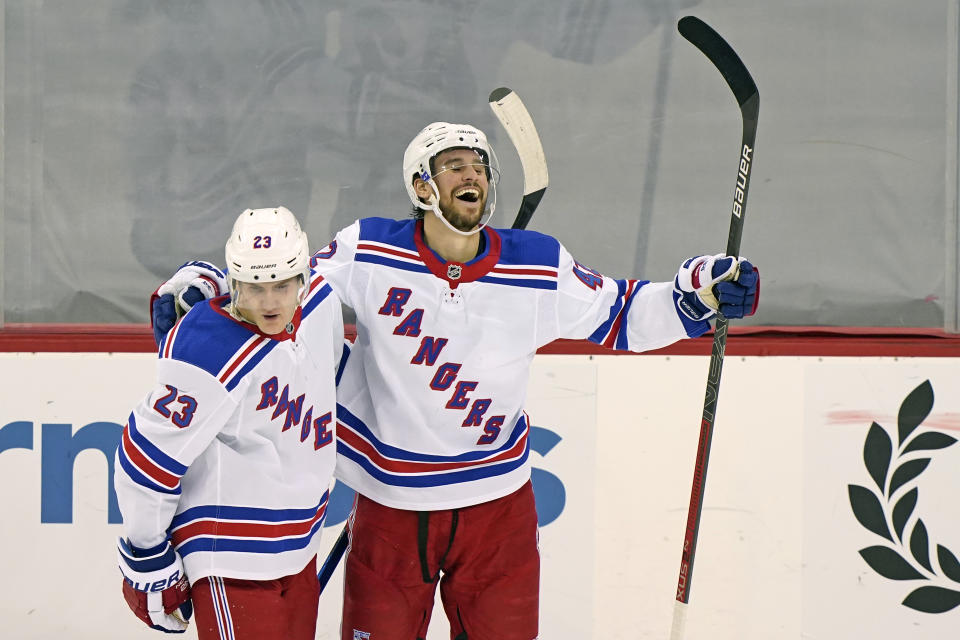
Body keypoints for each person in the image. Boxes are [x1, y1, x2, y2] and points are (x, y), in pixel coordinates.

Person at [151, 122, 760, 640]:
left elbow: (622, 314)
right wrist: (205, 288)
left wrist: (697, 294)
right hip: (391, 509)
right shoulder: (368, 252)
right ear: (421, 185)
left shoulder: (536, 262)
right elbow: (280, 290)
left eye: (479, 165)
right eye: (452, 166)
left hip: (497, 513)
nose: (471, 174)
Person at [116, 206, 344, 639]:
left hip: (299, 546)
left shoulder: (320, 305)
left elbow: (336, 381)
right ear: (237, 283)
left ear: (303, 277)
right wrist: (146, 555)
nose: (270, 301)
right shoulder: (209, 349)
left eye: (281, 285)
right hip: (229, 555)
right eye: (255, 288)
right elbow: (145, 459)